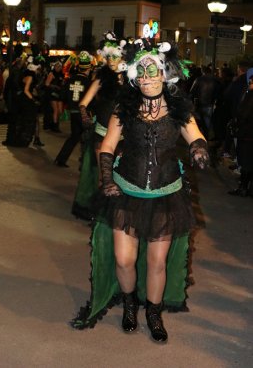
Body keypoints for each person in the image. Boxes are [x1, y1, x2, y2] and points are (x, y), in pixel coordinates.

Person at [71, 38, 209, 343]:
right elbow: (107, 145)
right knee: (124, 260)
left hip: (166, 195)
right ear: (134, 76)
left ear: (164, 73)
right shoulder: (125, 108)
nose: (147, 79)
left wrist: (199, 150)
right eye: (141, 73)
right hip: (126, 192)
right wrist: (107, 179)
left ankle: (153, 313)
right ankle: (130, 304)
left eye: (152, 72)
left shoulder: (179, 109)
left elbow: (196, 136)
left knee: (157, 262)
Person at [72, 32, 126, 220]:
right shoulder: (101, 78)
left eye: (115, 56)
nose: (111, 60)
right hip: (102, 133)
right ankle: (101, 217)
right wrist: (85, 116)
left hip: (126, 137)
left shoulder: (133, 80)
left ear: (123, 56)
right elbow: (83, 103)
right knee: (105, 176)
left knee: (122, 177)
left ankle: (117, 214)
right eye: (108, 56)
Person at [54, 51, 93, 168]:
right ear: (88, 69)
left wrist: (62, 110)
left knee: (74, 136)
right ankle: (84, 164)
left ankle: (61, 159)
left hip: (73, 112)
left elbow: (62, 96)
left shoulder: (69, 80)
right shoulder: (89, 82)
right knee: (88, 138)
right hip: (84, 113)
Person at [228, 67, 253, 197]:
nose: (249, 85)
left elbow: (244, 114)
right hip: (248, 133)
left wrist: (237, 122)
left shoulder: (250, 96)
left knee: (246, 161)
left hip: (247, 134)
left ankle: (243, 188)